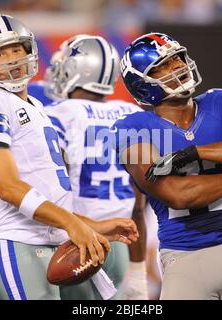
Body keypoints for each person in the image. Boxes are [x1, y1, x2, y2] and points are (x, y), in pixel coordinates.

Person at [0, 15, 138, 300]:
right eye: (0, 54)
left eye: (17, 50)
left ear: (30, 52)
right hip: (16, 242)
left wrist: (91, 224)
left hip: (53, 238)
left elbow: (48, 193)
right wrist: (73, 225)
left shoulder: (36, 105)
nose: (11, 60)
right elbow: (9, 189)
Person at [113, 32, 222, 299]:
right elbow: (179, 195)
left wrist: (194, 153)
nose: (177, 67)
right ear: (142, 84)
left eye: (177, 58)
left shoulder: (221, 101)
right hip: (184, 259)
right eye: (164, 65)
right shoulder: (132, 128)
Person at [42, 35, 148, 300]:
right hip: (122, 246)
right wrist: (139, 271)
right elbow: (138, 203)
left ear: (78, 69)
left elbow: (51, 186)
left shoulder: (59, 113)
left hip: (76, 242)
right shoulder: (129, 113)